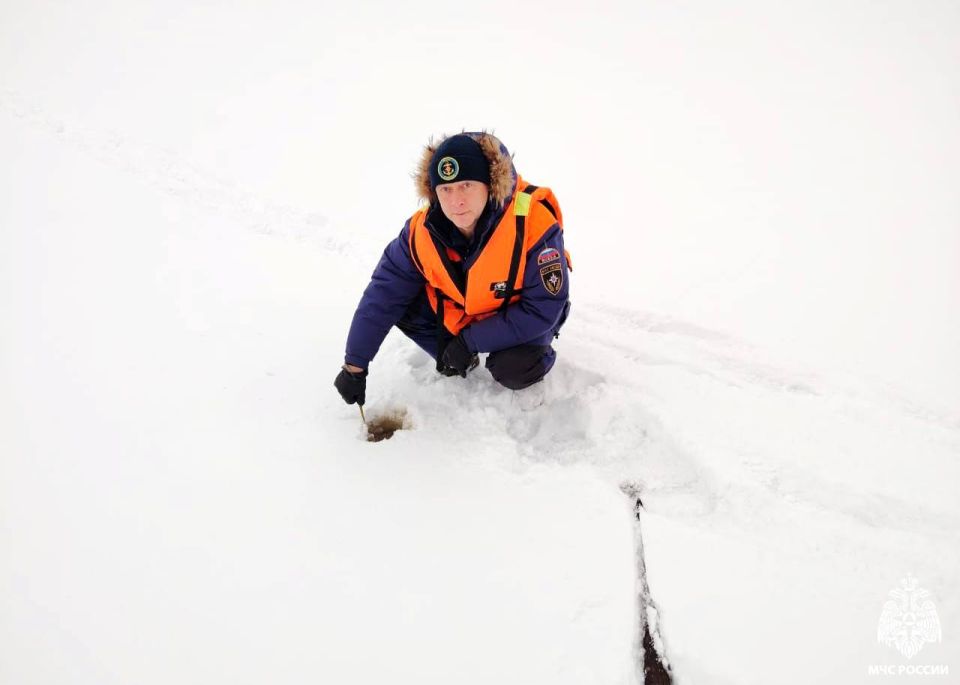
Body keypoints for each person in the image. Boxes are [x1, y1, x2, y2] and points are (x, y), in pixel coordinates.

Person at [334, 131, 571, 407]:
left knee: (514, 369)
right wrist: (355, 365)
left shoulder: (532, 222)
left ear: (490, 184)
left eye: (467, 185)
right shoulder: (419, 231)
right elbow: (382, 295)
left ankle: (534, 353)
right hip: (467, 311)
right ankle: (458, 358)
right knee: (401, 302)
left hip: (521, 315)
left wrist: (470, 340)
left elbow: (543, 308)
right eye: (446, 189)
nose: (456, 201)